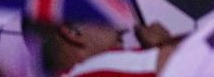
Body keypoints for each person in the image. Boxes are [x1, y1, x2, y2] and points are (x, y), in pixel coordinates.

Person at [22, 20, 178, 77]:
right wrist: (164, 45)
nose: (121, 27)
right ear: (72, 32)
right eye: (102, 15)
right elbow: (194, 60)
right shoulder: (99, 69)